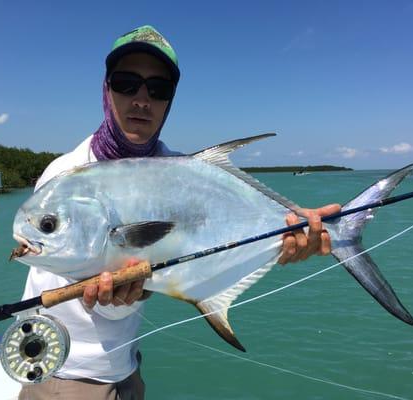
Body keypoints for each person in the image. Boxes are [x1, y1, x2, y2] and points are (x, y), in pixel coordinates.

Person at [19, 25, 340, 400]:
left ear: (170, 100)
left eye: (158, 90)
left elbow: (212, 220)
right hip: (63, 375)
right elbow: (73, 282)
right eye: (127, 83)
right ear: (106, 89)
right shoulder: (65, 177)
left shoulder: (183, 169)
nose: (142, 99)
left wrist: (294, 222)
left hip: (127, 371)